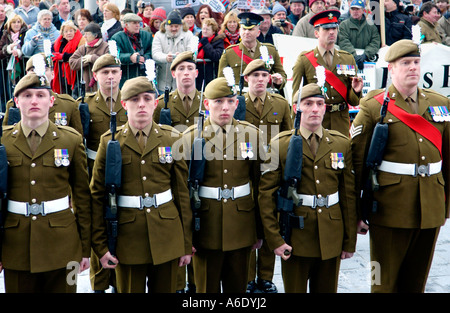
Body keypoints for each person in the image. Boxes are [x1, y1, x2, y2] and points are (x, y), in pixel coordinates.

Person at [350, 39, 450, 292]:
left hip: (430, 203)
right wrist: (357, 213)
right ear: (391, 68)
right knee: (382, 281)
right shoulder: (373, 107)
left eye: (416, 62)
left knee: (416, 281)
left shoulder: (441, 103)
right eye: (405, 63)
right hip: (389, 206)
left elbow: (448, 157)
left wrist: (446, 204)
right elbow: (358, 163)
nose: (413, 68)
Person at [90, 75, 192, 293]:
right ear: (124, 105)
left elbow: (182, 193)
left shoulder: (171, 138)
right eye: (135, 100)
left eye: (147, 98)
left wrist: (185, 243)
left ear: (156, 103)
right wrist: (100, 246)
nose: (142, 104)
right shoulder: (109, 142)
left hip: (166, 234)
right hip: (128, 238)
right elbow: (97, 196)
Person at [259, 82, 357, 293]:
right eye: (308, 103)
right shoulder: (279, 144)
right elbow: (266, 196)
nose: (315, 108)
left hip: (331, 233)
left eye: (320, 103)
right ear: (296, 108)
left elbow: (348, 195)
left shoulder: (341, 143)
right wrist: (275, 239)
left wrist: (349, 240)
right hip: (295, 236)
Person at [0, 69, 91, 293]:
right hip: (15, 246)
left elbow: (82, 197)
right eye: (27, 95)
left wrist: (85, 249)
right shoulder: (3, 141)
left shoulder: (71, 139)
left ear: (51, 101)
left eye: (40, 95)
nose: (34, 101)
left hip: (64, 246)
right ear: (16, 101)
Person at [179, 76, 265, 293]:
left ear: (237, 103)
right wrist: (186, 236)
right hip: (206, 227)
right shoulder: (190, 138)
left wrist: (260, 230)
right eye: (218, 102)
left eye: (230, 101)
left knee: (238, 289)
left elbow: (261, 186)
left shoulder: (252, 135)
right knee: (206, 290)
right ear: (206, 104)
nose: (225, 107)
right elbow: (183, 191)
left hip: (241, 225)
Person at [153, 51, 204, 293]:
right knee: (180, 225)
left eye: (189, 69)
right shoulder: (164, 104)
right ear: (173, 74)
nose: (185, 73)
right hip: (174, 172)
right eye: (180, 69)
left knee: (200, 228)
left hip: (203, 170)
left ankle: (197, 283)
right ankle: (180, 283)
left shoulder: (206, 101)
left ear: (196, 73)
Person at [242, 59, 292, 293]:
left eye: (264, 76)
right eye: (255, 76)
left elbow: (289, 138)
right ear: (247, 79)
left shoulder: (280, 104)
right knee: (249, 221)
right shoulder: (238, 104)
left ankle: (265, 277)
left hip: (272, 169)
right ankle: (247, 277)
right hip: (245, 169)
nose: (260, 80)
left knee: (270, 219)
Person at [292, 9, 363, 137]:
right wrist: (296, 127)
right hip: (315, 121)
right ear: (316, 33)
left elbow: (353, 102)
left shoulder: (348, 58)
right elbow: (296, 97)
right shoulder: (304, 60)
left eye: (334, 28)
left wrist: (356, 91)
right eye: (326, 29)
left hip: (340, 121)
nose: (331, 32)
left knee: (340, 155)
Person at [3, 53, 83, 135]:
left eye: (44, 69)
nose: (38, 74)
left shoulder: (68, 104)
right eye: (33, 70)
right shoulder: (14, 105)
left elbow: (77, 138)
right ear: (27, 74)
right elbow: (6, 136)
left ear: (53, 74)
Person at [218, 12, 287, 92]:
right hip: (241, 97)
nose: (247, 32)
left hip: (265, 97)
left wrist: (279, 81)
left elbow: (283, 76)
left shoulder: (270, 50)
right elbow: (221, 81)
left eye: (251, 29)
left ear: (258, 33)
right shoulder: (229, 53)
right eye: (244, 29)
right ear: (240, 31)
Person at [152, 10, 194, 94]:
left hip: (183, 82)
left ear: (181, 26)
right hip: (163, 82)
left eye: (176, 26)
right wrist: (166, 58)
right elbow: (155, 53)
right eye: (171, 26)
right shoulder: (159, 35)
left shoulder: (188, 35)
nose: (174, 28)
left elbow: (192, 52)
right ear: (166, 26)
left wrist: (181, 57)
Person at [111, 13, 152, 87]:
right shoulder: (117, 38)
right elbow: (114, 56)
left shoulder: (147, 36)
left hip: (144, 77)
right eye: (134, 23)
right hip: (126, 78)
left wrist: (145, 57)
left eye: (138, 23)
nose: (137, 25)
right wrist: (130, 57)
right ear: (126, 25)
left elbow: (151, 51)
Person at [337, 0, 381, 70]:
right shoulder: (344, 25)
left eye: (357, 9)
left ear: (363, 10)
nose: (355, 11)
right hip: (348, 63)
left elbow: (375, 42)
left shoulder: (371, 26)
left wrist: (366, 55)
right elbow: (343, 42)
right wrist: (354, 56)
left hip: (367, 63)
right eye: (353, 9)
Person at [69, 22, 109, 94]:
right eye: (84, 34)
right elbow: (72, 62)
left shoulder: (105, 47)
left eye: (87, 34)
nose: (84, 36)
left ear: (95, 35)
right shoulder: (83, 48)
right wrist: (84, 60)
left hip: (103, 87)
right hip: (87, 88)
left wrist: (92, 58)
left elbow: (108, 62)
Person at [52, 20, 85, 95]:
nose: (69, 33)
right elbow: (53, 51)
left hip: (76, 74)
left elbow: (79, 54)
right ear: (63, 34)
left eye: (71, 30)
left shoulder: (80, 40)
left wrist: (63, 56)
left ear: (74, 31)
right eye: (66, 31)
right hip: (62, 74)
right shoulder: (59, 42)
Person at [196, 18, 225, 91]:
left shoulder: (218, 41)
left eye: (207, 29)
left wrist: (206, 44)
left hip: (211, 74)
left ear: (213, 31)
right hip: (198, 74)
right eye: (203, 29)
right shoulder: (197, 39)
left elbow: (216, 56)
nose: (205, 31)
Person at [0, 14, 27, 86]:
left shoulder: (26, 33)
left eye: (18, 22)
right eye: (14, 22)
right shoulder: (5, 35)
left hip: (23, 67)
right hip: (9, 69)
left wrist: (19, 52)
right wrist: (9, 49)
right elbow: (0, 51)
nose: (16, 24)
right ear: (10, 24)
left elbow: (28, 48)